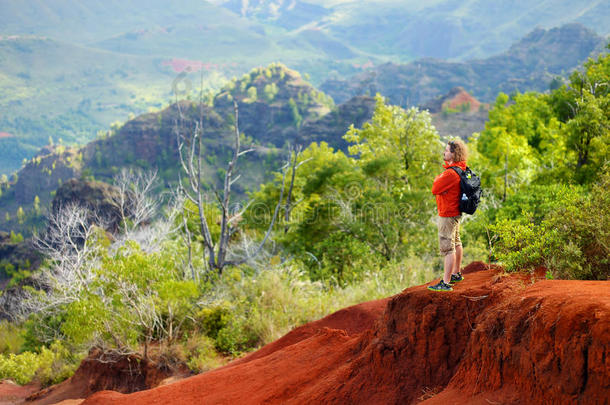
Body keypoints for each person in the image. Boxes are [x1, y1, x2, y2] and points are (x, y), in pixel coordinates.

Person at [428, 139, 467, 292]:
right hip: (455, 212)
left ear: (453, 153)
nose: (444, 152)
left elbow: (435, 188)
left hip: (447, 213)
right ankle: (456, 273)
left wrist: (438, 178)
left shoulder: (451, 173)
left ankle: (446, 282)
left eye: (446, 150)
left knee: (447, 247)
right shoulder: (460, 169)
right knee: (456, 242)